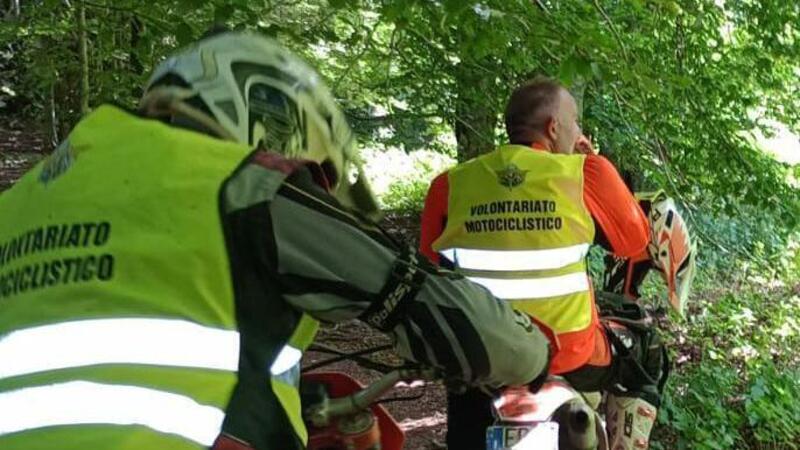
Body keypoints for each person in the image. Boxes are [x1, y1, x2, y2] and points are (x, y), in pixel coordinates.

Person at [0, 32, 552, 450]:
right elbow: (467, 325)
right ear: (255, 124)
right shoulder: (237, 185)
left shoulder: (22, 203)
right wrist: (537, 354)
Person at [420, 77, 693, 450]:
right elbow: (633, 243)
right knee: (646, 351)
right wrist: (592, 158)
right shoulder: (582, 174)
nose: (579, 130)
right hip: (567, 351)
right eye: (576, 121)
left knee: (466, 383)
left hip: (480, 348)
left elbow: (429, 267)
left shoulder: (449, 185)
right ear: (554, 127)